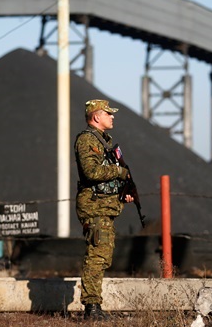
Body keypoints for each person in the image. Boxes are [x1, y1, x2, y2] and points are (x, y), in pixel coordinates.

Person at [74, 99, 134, 321]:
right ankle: (92, 309)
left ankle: (94, 307)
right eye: (108, 113)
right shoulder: (87, 140)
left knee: (102, 256)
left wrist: (121, 193)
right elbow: (91, 172)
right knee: (97, 256)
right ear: (96, 117)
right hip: (94, 207)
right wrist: (119, 172)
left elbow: (102, 179)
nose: (112, 116)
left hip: (104, 206)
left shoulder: (104, 142)